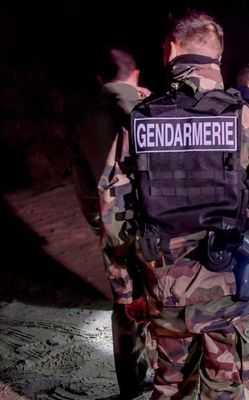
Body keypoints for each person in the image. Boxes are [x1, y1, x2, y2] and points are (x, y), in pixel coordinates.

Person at [98, 10, 249, 399]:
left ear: (172, 50)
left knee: (170, 389)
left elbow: (112, 215)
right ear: (219, 57)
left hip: (165, 295)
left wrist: (127, 294)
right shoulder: (246, 122)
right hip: (231, 294)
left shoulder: (140, 122)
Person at [71, 46, 151, 400]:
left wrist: (101, 228)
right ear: (135, 74)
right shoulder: (149, 111)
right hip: (157, 228)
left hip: (113, 230)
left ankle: (132, 383)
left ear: (100, 79)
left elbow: (84, 188)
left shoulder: (85, 122)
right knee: (167, 299)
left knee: (125, 305)